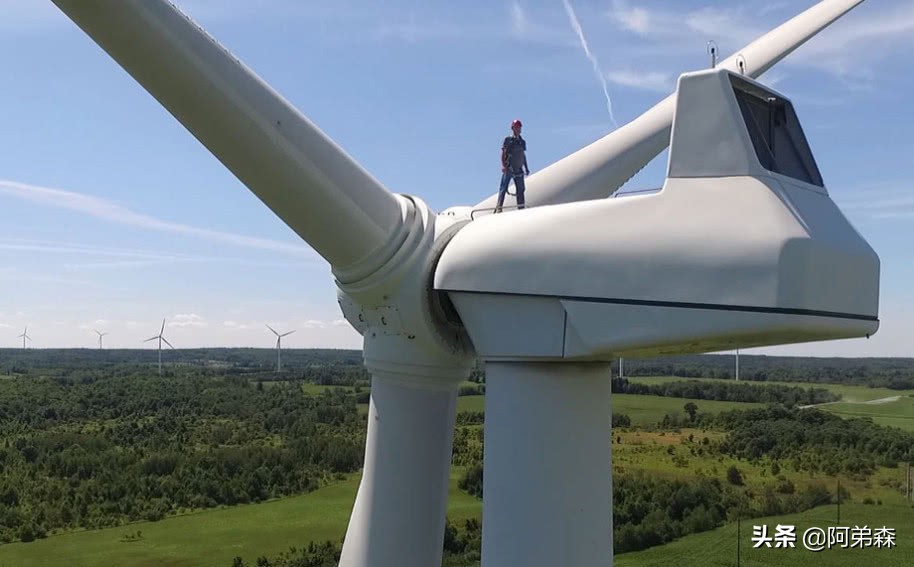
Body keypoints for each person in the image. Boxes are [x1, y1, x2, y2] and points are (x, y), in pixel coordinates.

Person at [495, 119, 530, 213]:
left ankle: (521, 208)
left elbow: (523, 155)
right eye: (516, 127)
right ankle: (499, 207)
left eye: (519, 127)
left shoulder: (522, 142)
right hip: (509, 167)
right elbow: (503, 153)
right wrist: (503, 166)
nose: (518, 129)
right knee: (503, 188)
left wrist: (526, 168)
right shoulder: (508, 140)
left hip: (519, 169)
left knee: (521, 189)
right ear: (513, 128)